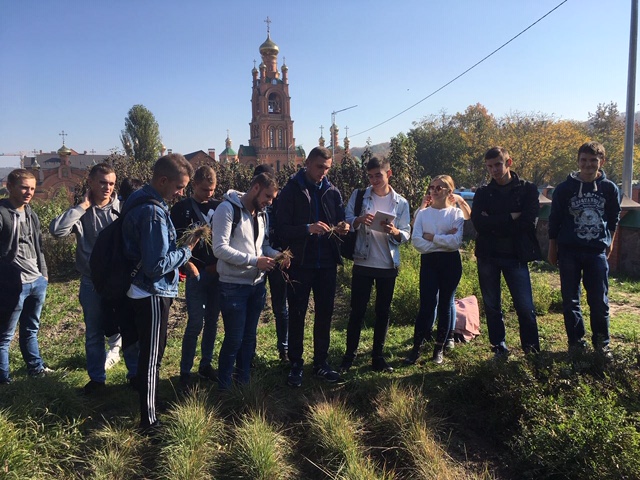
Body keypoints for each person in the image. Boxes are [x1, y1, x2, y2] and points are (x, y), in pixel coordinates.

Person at [121, 153, 197, 433]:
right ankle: (149, 420)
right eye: (179, 187)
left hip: (141, 288)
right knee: (152, 357)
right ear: (163, 181)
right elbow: (155, 266)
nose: (181, 193)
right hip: (151, 291)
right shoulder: (153, 212)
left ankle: (149, 402)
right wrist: (186, 251)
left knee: (148, 354)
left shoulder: (139, 198)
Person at [50, 163, 138, 394]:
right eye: (102, 182)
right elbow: (57, 230)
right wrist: (82, 206)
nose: (107, 187)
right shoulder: (82, 213)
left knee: (128, 328)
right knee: (94, 332)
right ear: (90, 182)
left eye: (111, 183)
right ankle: (97, 380)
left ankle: (135, 376)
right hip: (91, 282)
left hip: (120, 282)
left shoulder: (123, 209)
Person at [276, 146, 350, 387]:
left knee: (324, 314)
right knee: (297, 314)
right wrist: (307, 229)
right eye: (319, 167)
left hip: (326, 263)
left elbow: (340, 220)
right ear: (307, 163)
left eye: (327, 168)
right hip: (300, 263)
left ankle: (320, 363)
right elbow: (281, 229)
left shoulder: (332, 192)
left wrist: (343, 227)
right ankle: (296, 364)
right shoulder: (290, 191)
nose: (323, 172)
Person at [211, 171, 285, 389]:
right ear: (256, 188)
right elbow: (219, 249)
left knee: (249, 338)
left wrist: (277, 255)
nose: (269, 202)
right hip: (233, 286)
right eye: (268, 196)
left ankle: (243, 385)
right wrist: (254, 262)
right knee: (234, 339)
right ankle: (224, 387)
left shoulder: (262, 214)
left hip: (256, 286)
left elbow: (262, 247)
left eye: (272, 198)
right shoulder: (227, 209)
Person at [548, 141, 621, 360]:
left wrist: (610, 242)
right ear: (578, 161)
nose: (588, 164)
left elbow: (614, 218)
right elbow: (554, 220)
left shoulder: (609, 188)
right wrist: (552, 248)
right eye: (584, 160)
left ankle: (602, 345)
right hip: (569, 251)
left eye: (593, 160)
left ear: (602, 162)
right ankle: (576, 343)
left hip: (595, 251)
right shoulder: (564, 189)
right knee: (570, 300)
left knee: (599, 300)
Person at [338, 157, 410, 374]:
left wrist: (395, 232)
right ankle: (349, 356)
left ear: (389, 174)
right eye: (370, 176)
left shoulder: (401, 202)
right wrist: (359, 220)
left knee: (383, 312)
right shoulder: (360, 195)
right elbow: (346, 220)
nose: (374, 180)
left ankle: (377, 357)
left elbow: (406, 232)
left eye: (378, 175)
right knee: (357, 311)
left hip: (387, 264)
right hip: (363, 260)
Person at [471, 147, 541, 358]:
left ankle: (531, 351)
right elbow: (479, 224)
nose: (494, 170)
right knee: (492, 306)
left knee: (525, 307)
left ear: (508, 162)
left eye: (498, 164)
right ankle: (499, 347)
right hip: (488, 256)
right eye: (489, 166)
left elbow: (528, 223)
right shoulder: (483, 193)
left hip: (516, 256)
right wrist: (510, 217)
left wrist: (493, 221)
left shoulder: (527, 190)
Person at [170, 165, 221, 387]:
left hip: (217, 273)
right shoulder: (181, 209)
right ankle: (185, 371)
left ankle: (206, 364)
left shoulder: (220, 207)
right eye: (204, 190)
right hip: (196, 274)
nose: (208, 194)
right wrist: (187, 264)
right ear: (194, 185)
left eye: (212, 190)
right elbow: (174, 242)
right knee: (195, 323)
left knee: (212, 321)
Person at [0, 169, 52, 384]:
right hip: (12, 284)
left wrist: (44, 275)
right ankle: (4, 379)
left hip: (36, 281)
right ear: (9, 187)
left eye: (32, 188)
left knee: (31, 329)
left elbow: (38, 247)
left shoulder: (31, 213)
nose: (29, 192)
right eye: (24, 187)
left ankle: (36, 369)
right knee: (4, 335)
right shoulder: (2, 213)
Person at [407, 175, 465, 364]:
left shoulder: (455, 214)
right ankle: (417, 347)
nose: (433, 191)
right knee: (426, 304)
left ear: (449, 191)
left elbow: (456, 242)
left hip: (451, 263)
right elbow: (417, 242)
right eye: (431, 187)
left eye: (439, 188)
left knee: (445, 305)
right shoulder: (423, 214)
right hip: (429, 262)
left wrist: (432, 237)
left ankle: (439, 348)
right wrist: (443, 238)